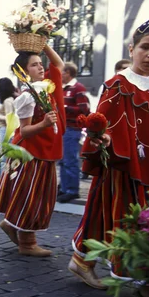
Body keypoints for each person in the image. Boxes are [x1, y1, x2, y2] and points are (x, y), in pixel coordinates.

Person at [69, 17, 149, 290]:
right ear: (131, 48)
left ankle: (143, 277)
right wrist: (100, 140)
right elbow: (101, 121)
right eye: (145, 47)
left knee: (148, 216)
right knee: (116, 214)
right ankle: (85, 262)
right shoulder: (117, 84)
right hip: (122, 163)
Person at [0, 45, 65, 257]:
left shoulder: (45, 87)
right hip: (33, 154)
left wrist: (44, 46)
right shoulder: (27, 96)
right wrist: (43, 124)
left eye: (41, 64)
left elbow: (58, 65)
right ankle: (27, 243)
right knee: (32, 197)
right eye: (35, 65)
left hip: (44, 151)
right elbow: (24, 130)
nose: (41, 68)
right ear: (24, 72)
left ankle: (11, 225)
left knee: (38, 196)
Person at [57, 62, 90, 203]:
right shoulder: (63, 89)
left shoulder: (78, 88)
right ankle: (64, 188)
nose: (60, 75)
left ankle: (72, 190)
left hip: (72, 129)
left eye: (62, 72)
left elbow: (85, 110)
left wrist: (65, 108)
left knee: (70, 160)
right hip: (63, 129)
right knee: (63, 161)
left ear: (68, 73)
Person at [0, 77, 17, 178]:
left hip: (5, 130)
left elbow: (9, 118)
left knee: (4, 159)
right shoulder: (10, 99)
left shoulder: (7, 101)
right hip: (7, 130)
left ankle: (3, 181)